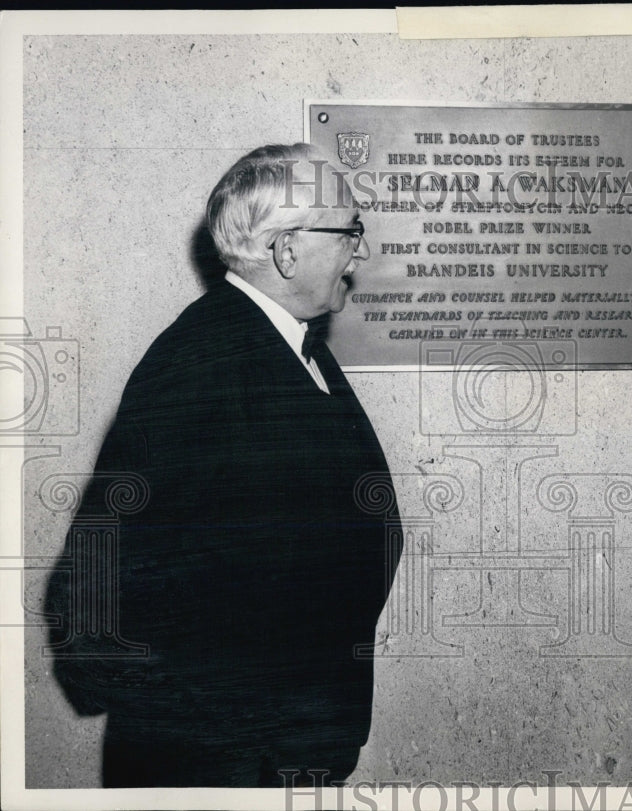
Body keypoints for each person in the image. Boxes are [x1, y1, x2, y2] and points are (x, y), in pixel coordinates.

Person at [44, 143, 401, 787]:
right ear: (288, 250)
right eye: (352, 231)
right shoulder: (199, 361)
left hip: (286, 739)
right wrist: (213, 730)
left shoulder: (287, 344)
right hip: (224, 759)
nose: (362, 250)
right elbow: (95, 571)